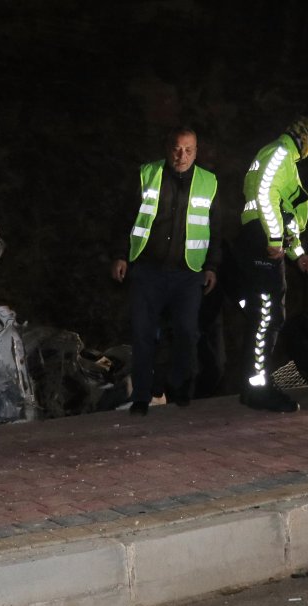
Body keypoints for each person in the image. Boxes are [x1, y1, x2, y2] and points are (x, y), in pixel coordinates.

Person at [111, 127, 219, 416]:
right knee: (144, 334)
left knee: (186, 333)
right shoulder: (147, 174)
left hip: (188, 273)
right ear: (167, 148)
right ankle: (142, 396)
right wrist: (121, 256)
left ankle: (181, 389)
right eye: (176, 148)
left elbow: (216, 229)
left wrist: (211, 267)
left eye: (188, 149)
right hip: (148, 271)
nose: (181, 155)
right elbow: (125, 216)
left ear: (197, 151)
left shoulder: (209, 182)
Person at [235, 116, 308, 413]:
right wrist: (274, 239)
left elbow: (285, 215)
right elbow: (265, 195)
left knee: (268, 316)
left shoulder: (285, 159)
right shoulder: (280, 153)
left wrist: (298, 254)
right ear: (307, 137)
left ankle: (253, 386)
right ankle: (257, 388)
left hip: (264, 240)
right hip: (260, 240)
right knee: (267, 316)